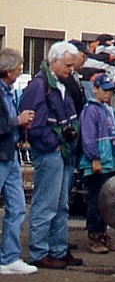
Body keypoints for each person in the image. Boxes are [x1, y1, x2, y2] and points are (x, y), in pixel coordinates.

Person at [18, 41, 83, 269]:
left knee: (61, 204)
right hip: (51, 151)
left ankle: (58, 249)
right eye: (67, 65)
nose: (71, 69)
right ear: (53, 61)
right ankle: (39, 252)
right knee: (46, 203)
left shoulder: (59, 83)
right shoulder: (40, 85)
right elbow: (33, 123)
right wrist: (52, 144)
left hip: (62, 150)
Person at [78, 73, 115, 254]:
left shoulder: (108, 110)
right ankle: (95, 236)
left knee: (106, 200)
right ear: (96, 89)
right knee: (96, 199)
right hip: (98, 161)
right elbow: (88, 137)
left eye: (111, 91)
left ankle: (103, 234)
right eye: (105, 90)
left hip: (110, 161)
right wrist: (94, 158)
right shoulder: (90, 110)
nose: (108, 94)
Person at [0, 49, 38, 275]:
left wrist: (21, 126)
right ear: (7, 71)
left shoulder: (9, 92)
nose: (19, 72)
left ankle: (9, 257)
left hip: (10, 155)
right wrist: (18, 120)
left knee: (17, 207)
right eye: (17, 69)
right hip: (2, 155)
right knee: (15, 207)